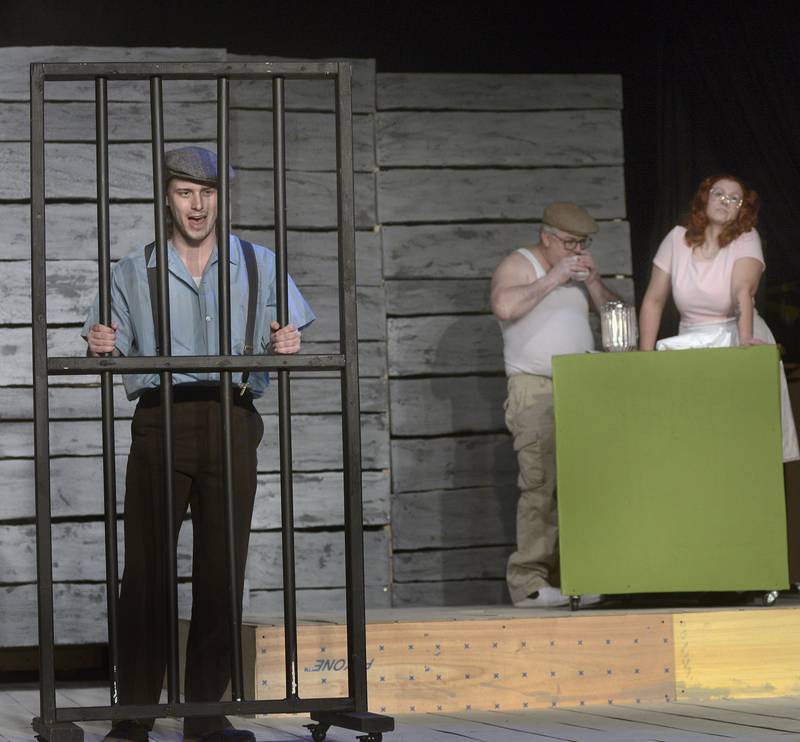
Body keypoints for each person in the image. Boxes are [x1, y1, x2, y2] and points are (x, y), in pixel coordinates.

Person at [83, 146, 316, 742]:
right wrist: (101, 345)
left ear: (221, 199)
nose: (197, 203)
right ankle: (133, 714)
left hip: (232, 417)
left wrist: (285, 346)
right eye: (186, 191)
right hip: (161, 419)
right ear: (167, 195)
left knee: (221, 569)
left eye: (207, 193)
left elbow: (283, 338)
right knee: (147, 571)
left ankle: (204, 716)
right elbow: (110, 345)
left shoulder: (258, 263)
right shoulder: (134, 268)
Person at [491, 202, 619, 607]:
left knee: (584, 487)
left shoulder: (579, 274)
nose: (575, 250)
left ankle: (579, 575)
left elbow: (619, 315)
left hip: (582, 389)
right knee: (539, 486)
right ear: (546, 237)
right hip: (536, 388)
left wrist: (594, 282)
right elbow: (505, 306)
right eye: (569, 242)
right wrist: (555, 276)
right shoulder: (521, 263)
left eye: (582, 243)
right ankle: (528, 582)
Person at [639, 174, 799, 462]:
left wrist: (746, 340)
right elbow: (653, 300)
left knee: (742, 438)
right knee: (695, 440)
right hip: (690, 344)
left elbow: (742, 293)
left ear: (742, 209)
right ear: (705, 199)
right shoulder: (677, 239)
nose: (725, 201)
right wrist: (645, 357)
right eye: (719, 194)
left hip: (734, 333)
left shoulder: (745, 238)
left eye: (734, 198)